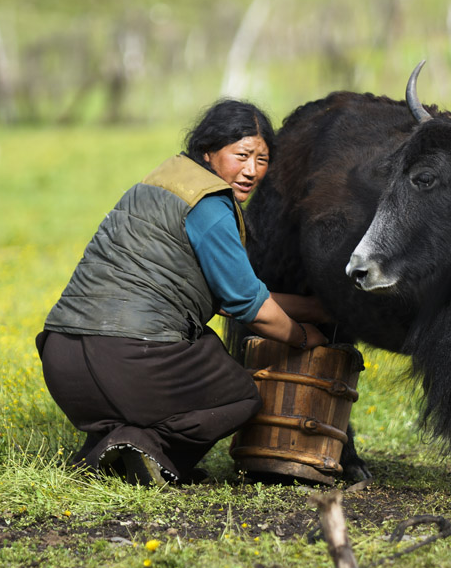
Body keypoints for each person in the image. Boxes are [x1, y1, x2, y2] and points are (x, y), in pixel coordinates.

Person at [36, 99, 328, 485]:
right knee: (240, 395)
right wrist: (306, 336)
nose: (252, 171)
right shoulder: (209, 202)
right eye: (241, 155)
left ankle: (102, 455)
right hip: (129, 358)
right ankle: (148, 452)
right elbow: (248, 306)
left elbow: (233, 296)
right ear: (209, 152)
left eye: (262, 160)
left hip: (62, 358)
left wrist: (315, 307)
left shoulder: (158, 181)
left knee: (189, 349)